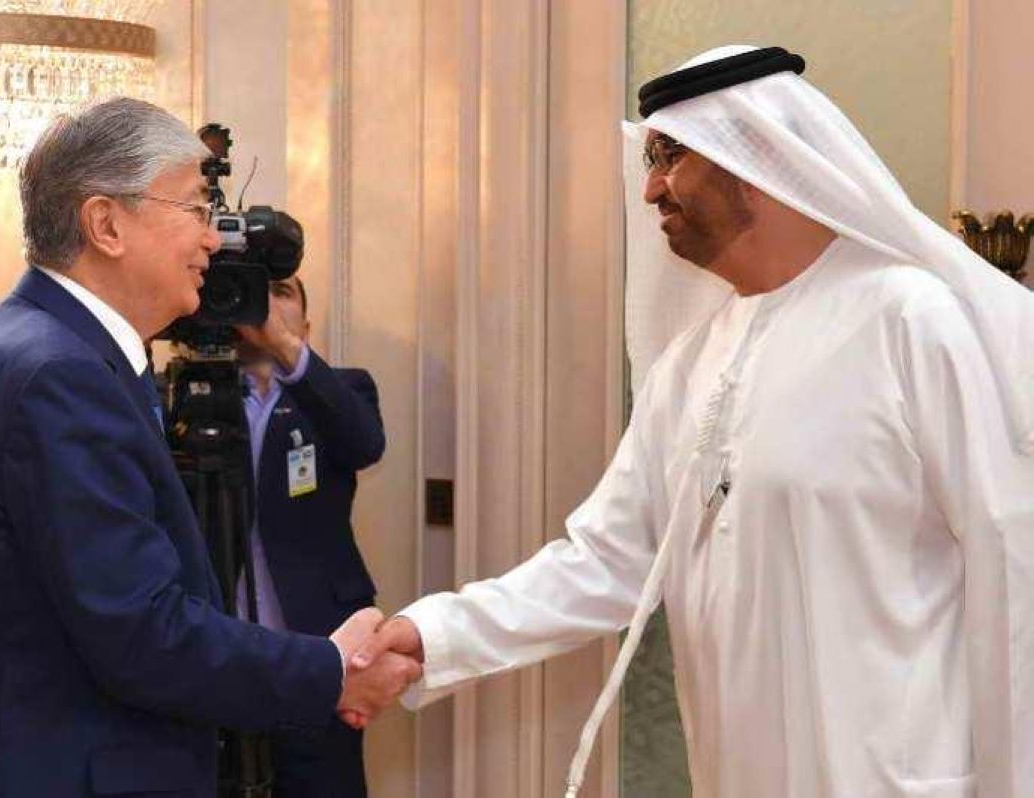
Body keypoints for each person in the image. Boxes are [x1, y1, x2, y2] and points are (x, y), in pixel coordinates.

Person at [351, 46, 1034, 797]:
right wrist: (431, 635)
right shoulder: (690, 365)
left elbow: (1012, 566)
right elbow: (607, 560)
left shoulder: (911, 319)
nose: (650, 188)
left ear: (755, 154)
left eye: (669, 156)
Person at [0, 97, 419, 798]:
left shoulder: (53, 349)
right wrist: (330, 672)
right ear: (106, 224)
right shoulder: (58, 374)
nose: (213, 241)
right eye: (195, 209)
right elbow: (139, 632)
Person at [229, 273, 385, 796]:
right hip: (224, 652)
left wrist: (285, 347)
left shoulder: (342, 389)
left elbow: (364, 444)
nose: (265, 303)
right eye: (255, 289)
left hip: (320, 645)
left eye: (281, 292)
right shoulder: (196, 399)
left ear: (308, 325)